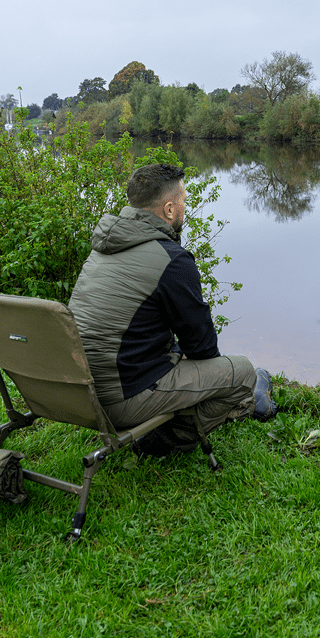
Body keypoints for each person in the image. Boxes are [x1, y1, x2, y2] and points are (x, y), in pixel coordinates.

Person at [69, 162, 275, 455]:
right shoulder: (172, 260)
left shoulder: (103, 247)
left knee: (178, 354)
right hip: (119, 403)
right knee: (241, 372)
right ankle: (165, 438)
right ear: (168, 210)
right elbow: (203, 349)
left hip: (78, 393)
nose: (184, 209)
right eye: (183, 202)